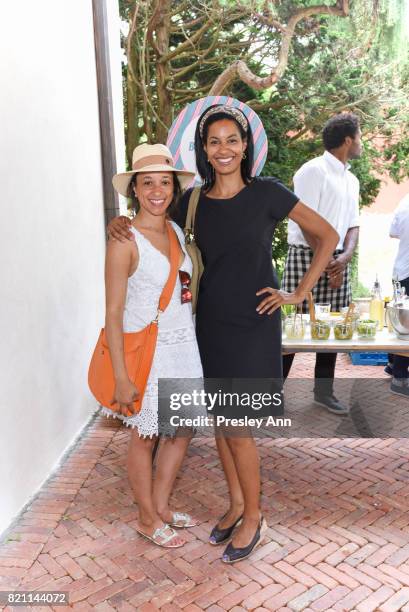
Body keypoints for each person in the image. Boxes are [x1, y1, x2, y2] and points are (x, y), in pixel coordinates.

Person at [108, 104, 338, 563]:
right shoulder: (192, 201)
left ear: (245, 145)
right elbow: (148, 210)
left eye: (232, 139)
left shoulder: (268, 193)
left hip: (254, 322)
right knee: (221, 425)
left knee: (238, 427)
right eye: (214, 142)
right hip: (209, 325)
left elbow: (327, 236)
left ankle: (255, 517)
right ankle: (235, 505)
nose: (224, 149)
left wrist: (296, 294)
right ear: (204, 151)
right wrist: (118, 223)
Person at [104, 143, 204, 548]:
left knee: (180, 431)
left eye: (165, 182)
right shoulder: (123, 240)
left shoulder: (176, 230)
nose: (158, 190)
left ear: (173, 189)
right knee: (145, 436)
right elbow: (112, 314)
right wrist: (121, 377)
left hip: (184, 345)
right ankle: (145, 518)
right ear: (135, 190)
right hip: (148, 353)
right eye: (148, 183)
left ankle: (161, 506)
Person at [282, 113, 362, 415]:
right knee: (293, 330)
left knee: (332, 329)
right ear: (347, 140)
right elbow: (304, 223)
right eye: (360, 136)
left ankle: (323, 393)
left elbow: (353, 224)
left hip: (337, 260)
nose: (361, 142)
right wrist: (327, 260)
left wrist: (344, 257)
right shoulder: (311, 171)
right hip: (306, 256)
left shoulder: (350, 179)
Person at [388, 192, 409, 396]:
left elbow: (392, 232)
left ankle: (392, 364)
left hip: (399, 271)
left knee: (400, 321)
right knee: (407, 327)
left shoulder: (404, 201)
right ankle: (400, 378)